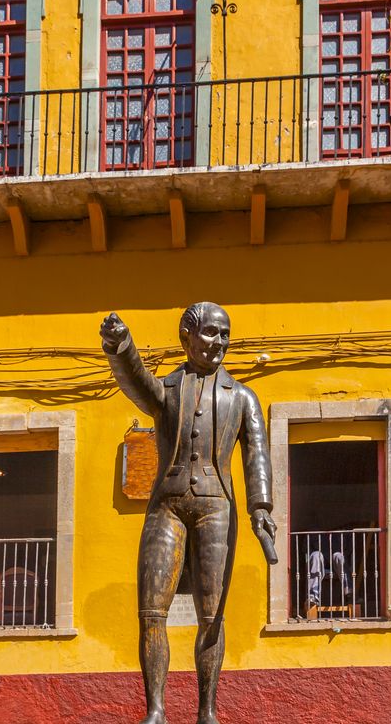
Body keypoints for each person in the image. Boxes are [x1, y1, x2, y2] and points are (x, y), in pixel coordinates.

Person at [101, 303, 275, 724]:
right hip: (168, 505)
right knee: (151, 609)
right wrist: (119, 346)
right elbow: (136, 383)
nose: (218, 343)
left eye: (225, 335)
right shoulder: (167, 391)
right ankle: (156, 710)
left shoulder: (243, 397)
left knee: (212, 613)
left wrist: (261, 508)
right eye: (211, 333)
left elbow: (257, 455)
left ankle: (207, 711)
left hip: (217, 507)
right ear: (187, 337)